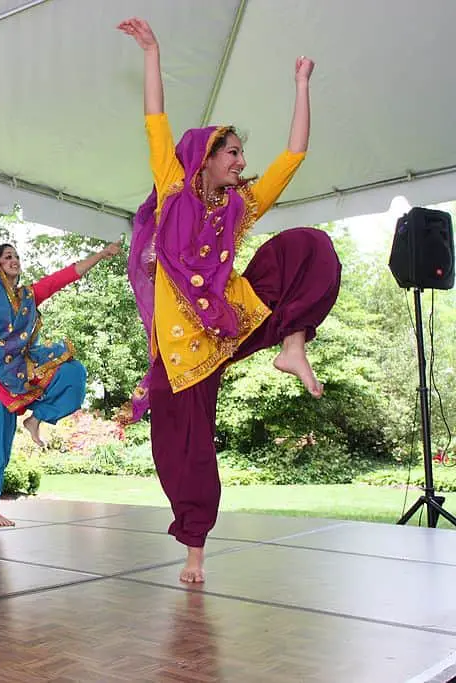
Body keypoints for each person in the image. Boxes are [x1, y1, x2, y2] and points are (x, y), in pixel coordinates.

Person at [117, 18, 341, 583]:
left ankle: (293, 345)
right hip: (181, 354)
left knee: (309, 248)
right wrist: (152, 51)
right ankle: (194, 553)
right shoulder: (173, 191)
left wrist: (302, 87)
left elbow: (293, 157)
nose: (242, 162)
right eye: (234, 153)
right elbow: (155, 122)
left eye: (243, 154)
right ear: (208, 157)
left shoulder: (240, 208)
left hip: (231, 322)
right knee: (180, 453)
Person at [0, 187, 120, 526]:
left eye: (16, 257)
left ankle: (36, 419)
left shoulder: (29, 296)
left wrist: (101, 254)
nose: (13, 260)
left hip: (23, 372)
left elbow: (66, 276)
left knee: (73, 373)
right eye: (6, 257)